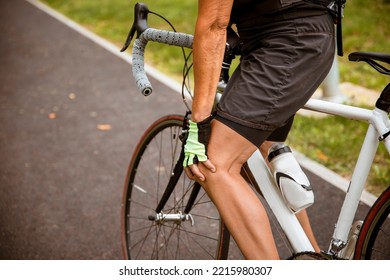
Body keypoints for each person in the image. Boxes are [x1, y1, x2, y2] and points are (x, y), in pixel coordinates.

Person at [183, 0, 335, 259]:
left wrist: (199, 123)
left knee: (214, 163)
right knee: (262, 148)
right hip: (295, 36)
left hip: (288, 42)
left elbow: (214, 23)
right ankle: (312, 258)